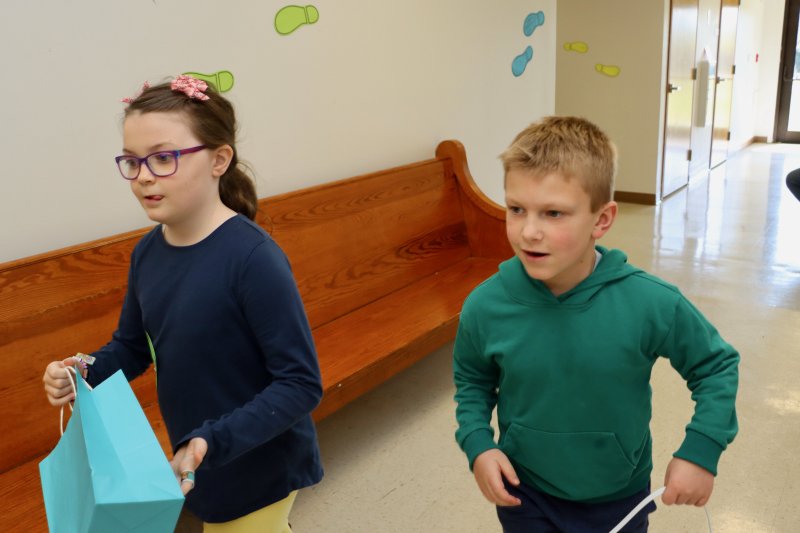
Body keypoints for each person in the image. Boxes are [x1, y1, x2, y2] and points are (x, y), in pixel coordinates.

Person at [42, 75, 323, 532]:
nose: (144, 176)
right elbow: (132, 347)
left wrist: (211, 441)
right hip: (200, 454)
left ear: (219, 160)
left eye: (163, 158)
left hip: (256, 464)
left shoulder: (253, 258)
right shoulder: (148, 252)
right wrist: (82, 371)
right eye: (132, 161)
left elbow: (300, 383)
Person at [452, 116, 739, 532]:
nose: (528, 232)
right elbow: (473, 381)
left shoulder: (650, 302)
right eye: (516, 209)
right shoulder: (485, 305)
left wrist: (701, 451)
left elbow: (716, 367)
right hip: (524, 492)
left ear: (601, 220)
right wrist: (478, 444)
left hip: (618, 497)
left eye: (553, 213)